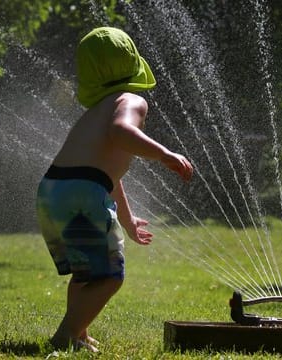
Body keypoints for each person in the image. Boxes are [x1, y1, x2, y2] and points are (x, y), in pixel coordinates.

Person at [36, 27, 193, 352]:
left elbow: (107, 175)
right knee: (110, 276)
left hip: (55, 189)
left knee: (85, 273)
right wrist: (164, 154)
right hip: (82, 192)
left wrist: (128, 218)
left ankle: (78, 333)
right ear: (134, 61)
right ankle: (65, 335)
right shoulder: (131, 100)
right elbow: (121, 131)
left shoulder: (96, 109)